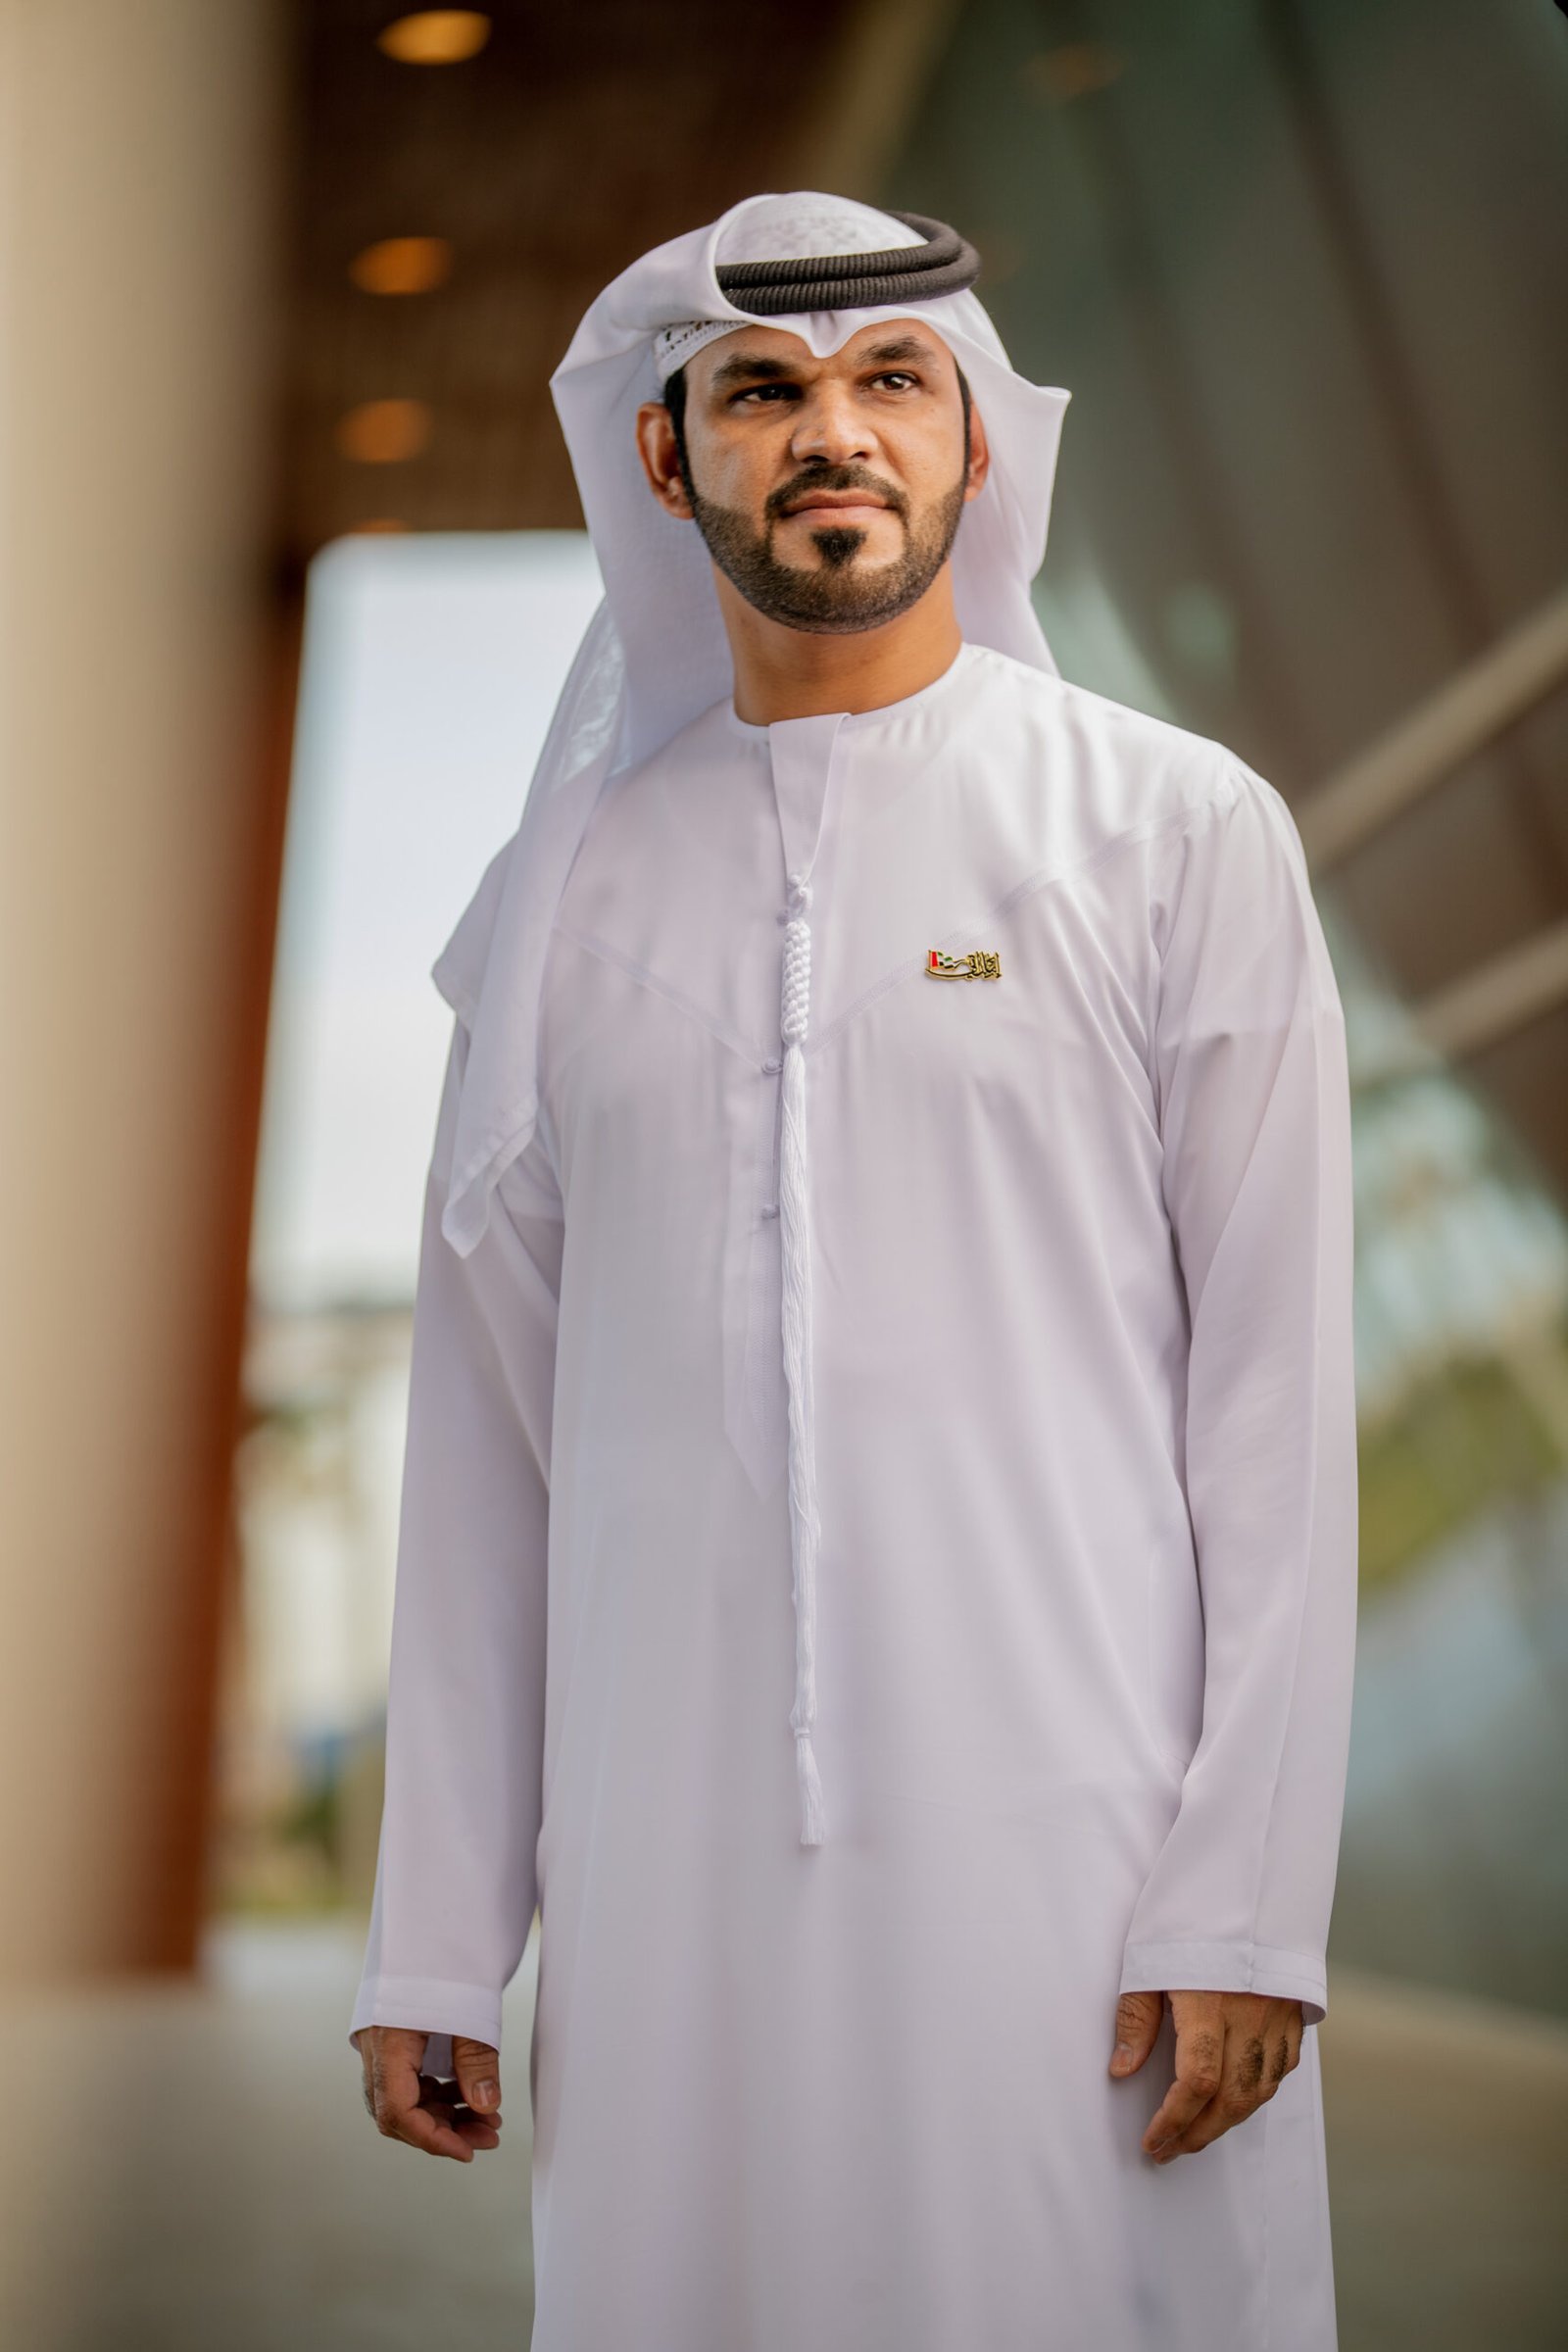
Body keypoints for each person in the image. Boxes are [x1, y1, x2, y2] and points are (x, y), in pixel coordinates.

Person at [350, 193, 1358, 2351]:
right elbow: (485, 1454)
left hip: (1087, 1877)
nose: (833, 433)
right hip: (667, 1893)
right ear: (664, 457)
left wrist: (1249, 1904)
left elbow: (1274, 1409)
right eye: (761, 391)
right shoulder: (554, 912)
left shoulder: (1168, 832)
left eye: (892, 379)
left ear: (974, 439)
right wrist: (437, 1934)